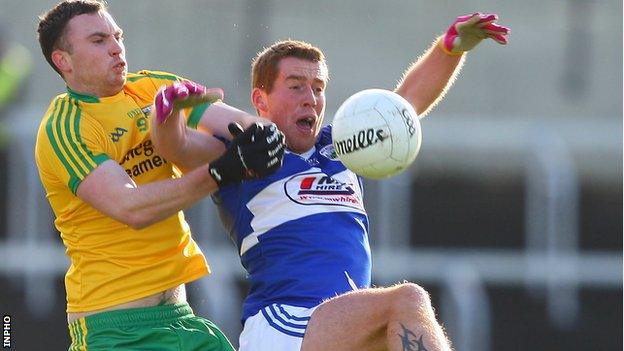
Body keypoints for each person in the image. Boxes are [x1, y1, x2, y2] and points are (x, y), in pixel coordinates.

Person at [151, 12, 510, 351]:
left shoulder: (341, 147)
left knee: (399, 320)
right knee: (407, 299)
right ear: (261, 99)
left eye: (318, 87)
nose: (310, 98)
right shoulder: (244, 153)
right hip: (284, 323)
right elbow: (178, 146)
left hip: (339, 325)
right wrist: (169, 113)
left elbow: (404, 106)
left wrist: (450, 48)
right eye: (295, 86)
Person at [34, 1, 285, 350]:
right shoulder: (65, 126)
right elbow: (132, 208)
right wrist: (221, 171)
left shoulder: (154, 88)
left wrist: (261, 134)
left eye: (117, 36)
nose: (116, 47)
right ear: (64, 60)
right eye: (98, 40)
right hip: (115, 329)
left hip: (182, 318)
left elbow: (234, 122)